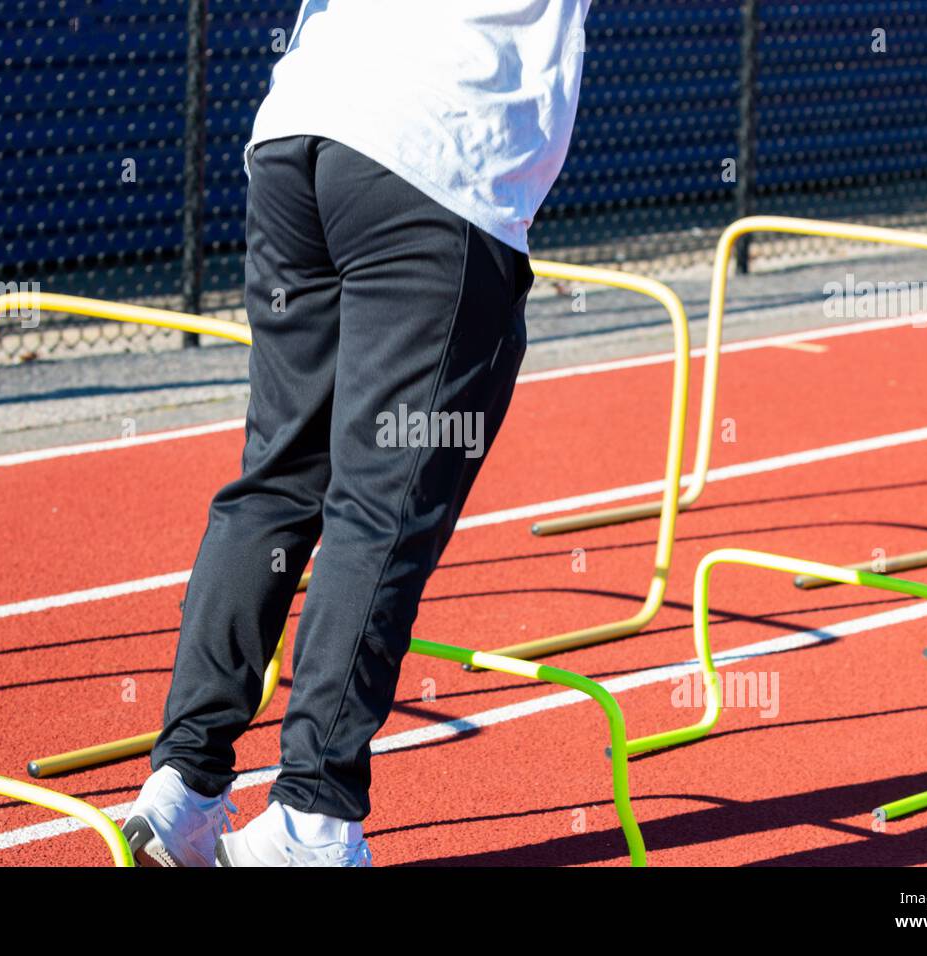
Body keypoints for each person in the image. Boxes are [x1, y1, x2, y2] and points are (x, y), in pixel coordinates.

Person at [123, 0, 592, 867]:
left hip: (306, 127)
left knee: (279, 476)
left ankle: (184, 783)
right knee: (384, 504)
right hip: (438, 153)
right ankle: (311, 812)